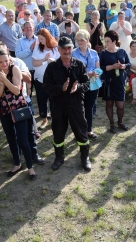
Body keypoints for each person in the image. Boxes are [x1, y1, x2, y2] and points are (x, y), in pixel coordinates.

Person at [43, 36, 92, 172]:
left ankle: (85, 158)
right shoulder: (52, 67)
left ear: (72, 49)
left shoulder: (79, 65)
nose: (66, 51)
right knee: (58, 133)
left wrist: (78, 87)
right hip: (58, 106)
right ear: (58, 50)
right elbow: (46, 86)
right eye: (63, 48)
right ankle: (59, 158)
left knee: (81, 133)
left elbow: (87, 83)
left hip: (76, 105)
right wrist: (61, 88)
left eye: (69, 48)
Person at [0, 49, 37, 180]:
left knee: (23, 140)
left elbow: (17, 91)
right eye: (1, 62)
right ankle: (17, 164)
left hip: (19, 107)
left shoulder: (15, 69)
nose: (4, 64)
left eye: (6, 60)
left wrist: (5, 80)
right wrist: (1, 85)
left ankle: (30, 167)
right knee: (11, 138)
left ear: (9, 59)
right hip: (4, 109)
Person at [99, 30, 131, 133]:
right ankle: (112, 123)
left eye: (108, 41)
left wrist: (123, 66)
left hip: (120, 82)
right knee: (109, 104)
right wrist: (112, 66)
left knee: (120, 106)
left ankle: (120, 122)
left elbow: (129, 64)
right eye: (105, 41)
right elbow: (101, 67)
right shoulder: (103, 53)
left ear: (114, 41)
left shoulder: (122, 52)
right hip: (108, 83)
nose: (106, 43)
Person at [72, 30, 100, 140]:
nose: (79, 42)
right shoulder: (74, 53)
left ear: (87, 40)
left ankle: (88, 130)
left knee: (89, 107)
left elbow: (98, 69)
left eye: (82, 40)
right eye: (78, 40)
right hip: (80, 84)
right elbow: (74, 71)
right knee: (79, 108)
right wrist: (88, 74)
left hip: (93, 83)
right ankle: (79, 131)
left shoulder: (94, 53)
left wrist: (96, 73)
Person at [32, 28, 60, 129]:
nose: (40, 41)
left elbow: (60, 63)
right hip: (40, 79)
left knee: (53, 100)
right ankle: (44, 119)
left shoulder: (55, 48)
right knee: (41, 99)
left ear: (47, 38)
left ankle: (54, 119)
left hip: (53, 80)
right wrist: (44, 60)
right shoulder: (37, 48)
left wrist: (53, 61)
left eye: (42, 39)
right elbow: (34, 64)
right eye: (39, 39)